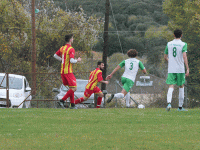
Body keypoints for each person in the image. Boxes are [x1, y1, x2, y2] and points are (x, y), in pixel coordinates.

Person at [54, 34, 81, 109]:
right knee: (74, 88)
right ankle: (62, 101)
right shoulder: (71, 49)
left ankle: (72, 105)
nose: (73, 39)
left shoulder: (62, 48)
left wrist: (62, 60)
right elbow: (72, 60)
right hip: (68, 71)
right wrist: (77, 60)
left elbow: (55, 56)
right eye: (72, 38)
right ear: (70, 40)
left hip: (62, 71)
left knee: (71, 88)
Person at [164, 29, 189, 111]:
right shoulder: (183, 44)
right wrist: (187, 68)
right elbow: (184, 56)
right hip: (180, 69)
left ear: (174, 35)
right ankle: (180, 107)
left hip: (171, 69)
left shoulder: (169, 44)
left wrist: (170, 61)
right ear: (181, 35)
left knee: (171, 85)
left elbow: (165, 57)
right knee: (181, 86)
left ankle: (169, 104)